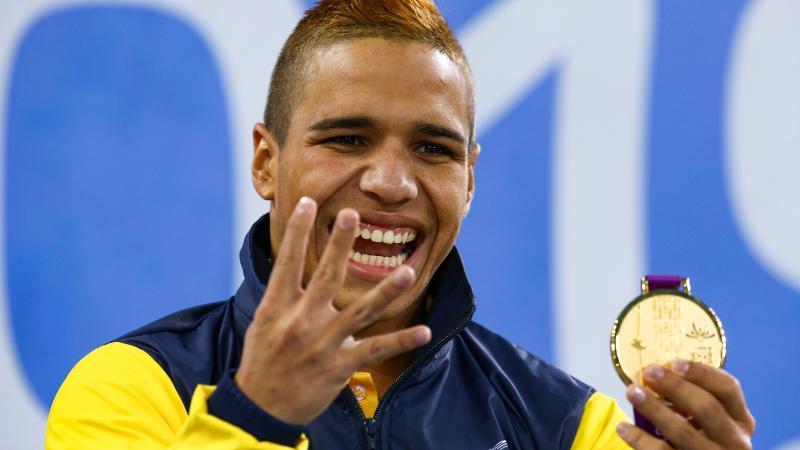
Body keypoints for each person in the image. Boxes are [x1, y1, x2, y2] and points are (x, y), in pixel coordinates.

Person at [45, 1, 755, 449]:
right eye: (348, 139)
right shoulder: (130, 389)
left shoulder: (569, 427)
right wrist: (253, 418)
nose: (391, 182)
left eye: (432, 148)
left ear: (470, 179)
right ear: (267, 161)